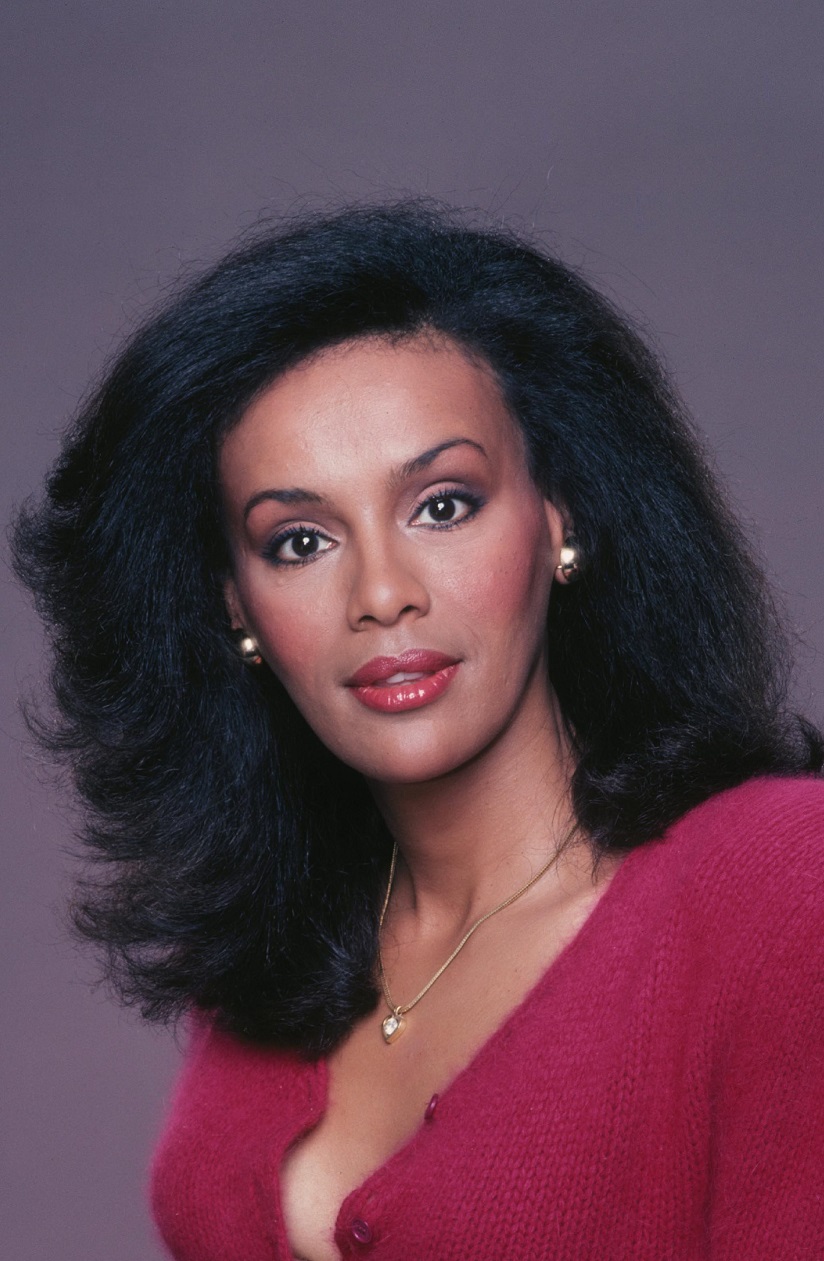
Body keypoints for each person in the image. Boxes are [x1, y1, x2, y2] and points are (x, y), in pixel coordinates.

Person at [13, 201, 824, 1261]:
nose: (382, 593)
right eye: (299, 541)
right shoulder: (273, 947)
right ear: (234, 605)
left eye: (441, 505)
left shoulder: (782, 886)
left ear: (559, 517)